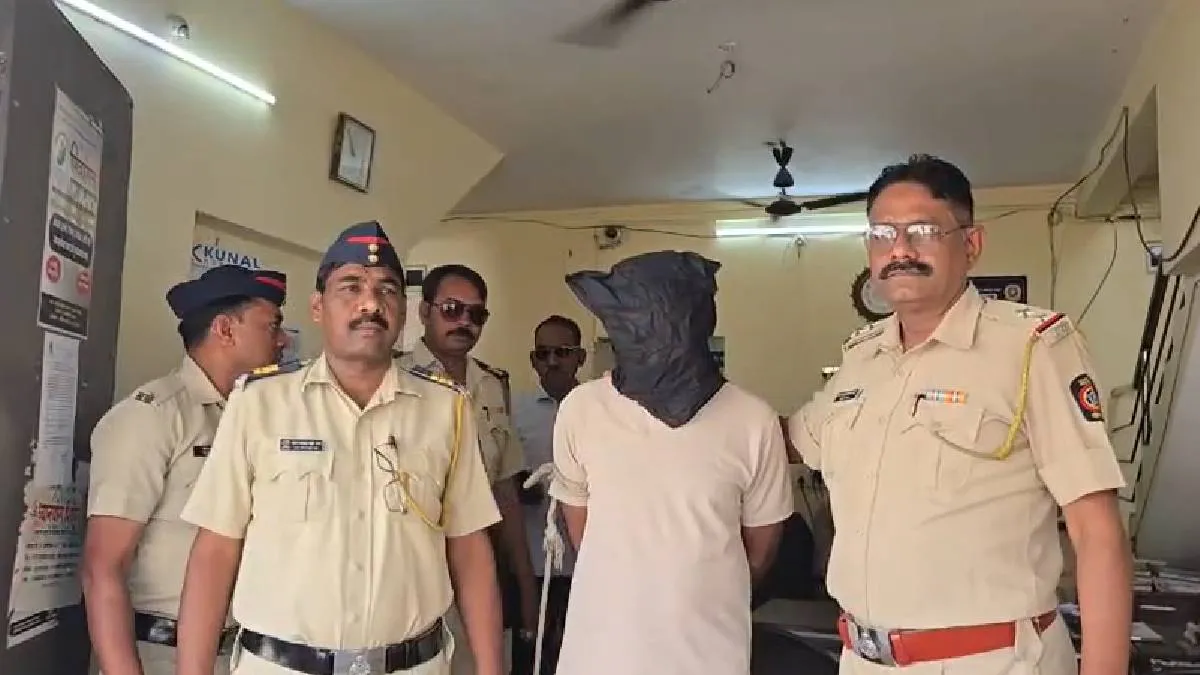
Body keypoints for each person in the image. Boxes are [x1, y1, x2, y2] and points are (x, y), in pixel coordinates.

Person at [787, 155, 1132, 675]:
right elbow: (784, 441)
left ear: (971, 244)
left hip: (991, 661)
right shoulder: (860, 359)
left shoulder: (1033, 347)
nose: (900, 249)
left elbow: (1097, 533)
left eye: (923, 231)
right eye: (882, 234)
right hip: (862, 661)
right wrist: (692, 397)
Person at [173, 221, 506, 675]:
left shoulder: (446, 409)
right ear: (318, 307)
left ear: (403, 311)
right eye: (351, 287)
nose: (370, 303)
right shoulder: (260, 403)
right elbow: (215, 550)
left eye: (387, 290)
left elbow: (469, 547)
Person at [548, 250, 794, 675]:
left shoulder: (754, 420)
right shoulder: (581, 410)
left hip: (710, 660)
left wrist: (699, 594)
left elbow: (760, 550)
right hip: (599, 658)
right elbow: (582, 534)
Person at [82, 264, 289, 675]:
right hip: (157, 654)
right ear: (225, 330)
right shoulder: (153, 417)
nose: (283, 340)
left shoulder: (252, 417)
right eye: (272, 326)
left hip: (240, 654)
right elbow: (102, 567)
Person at [396, 264, 539, 675]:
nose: (464, 322)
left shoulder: (491, 384)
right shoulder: (395, 377)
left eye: (476, 314)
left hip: (483, 564)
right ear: (424, 311)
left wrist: (525, 583)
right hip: (417, 566)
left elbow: (505, 490)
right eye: (452, 309)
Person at [510, 315, 587, 675]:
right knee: (530, 662)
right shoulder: (514, 412)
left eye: (562, 352)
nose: (552, 361)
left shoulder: (600, 411)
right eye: (543, 354)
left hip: (587, 567)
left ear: (580, 358)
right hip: (531, 567)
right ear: (533, 360)